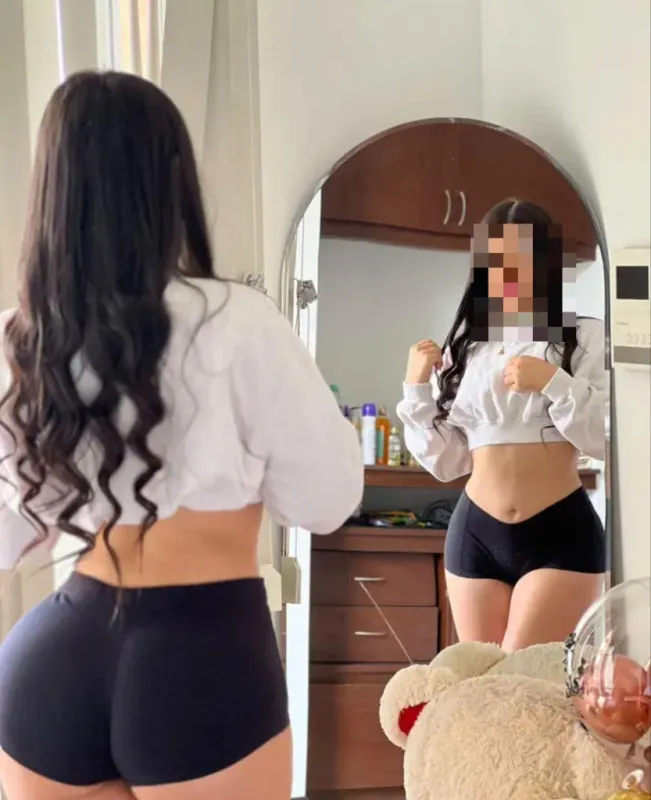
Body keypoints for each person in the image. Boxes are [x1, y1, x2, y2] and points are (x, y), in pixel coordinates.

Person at [0, 71, 364, 800]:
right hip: (203, 661)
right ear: (171, 181)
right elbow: (327, 501)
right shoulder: (236, 320)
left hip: (51, 660)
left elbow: (13, 535)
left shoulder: (25, 339)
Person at [398, 199, 606, 652]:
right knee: (480, 681)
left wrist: (553, 382)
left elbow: (605, 439)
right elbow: (448, 463)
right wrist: (415, 388)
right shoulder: (466, 348)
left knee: (525, 679)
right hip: (474, 533)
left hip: (559, 532)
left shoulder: (584, 336)